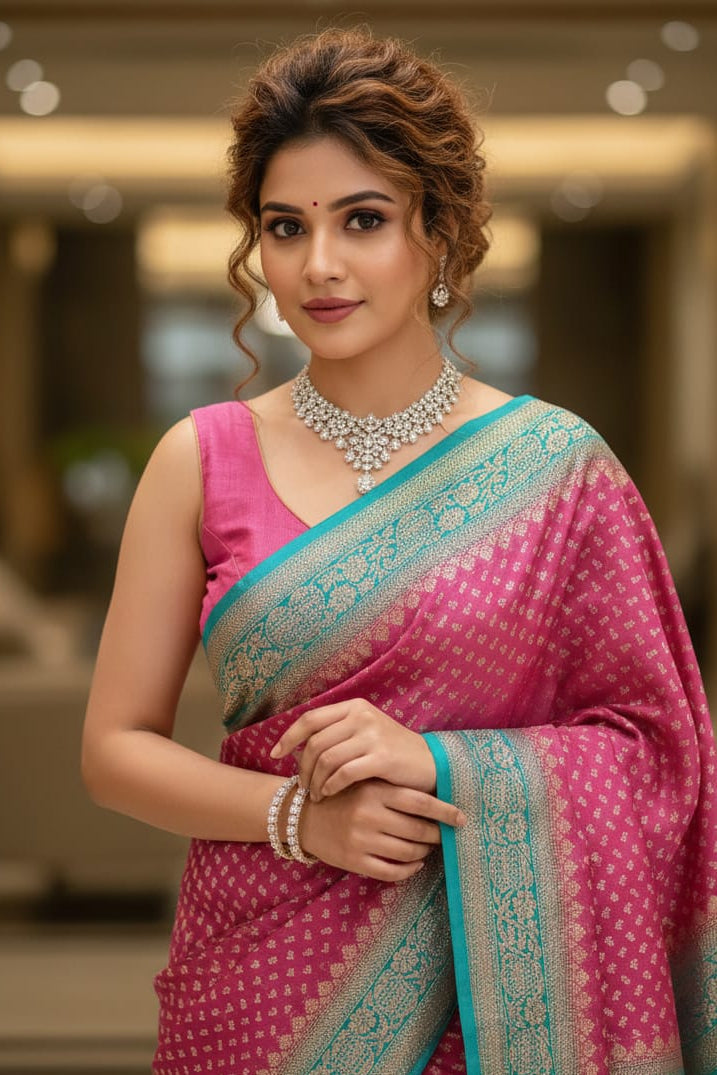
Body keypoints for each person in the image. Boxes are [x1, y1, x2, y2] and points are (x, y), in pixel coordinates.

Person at [81, 26, 717, 1075]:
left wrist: (436, 762)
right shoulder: (198, 460)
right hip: (259, 997)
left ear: (440, 234)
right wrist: (298, 817)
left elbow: (662, 756)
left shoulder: (560, 470)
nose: (318, 264)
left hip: (501, 1007)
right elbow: (115, 750)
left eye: (363, 220)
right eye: (285, 227)